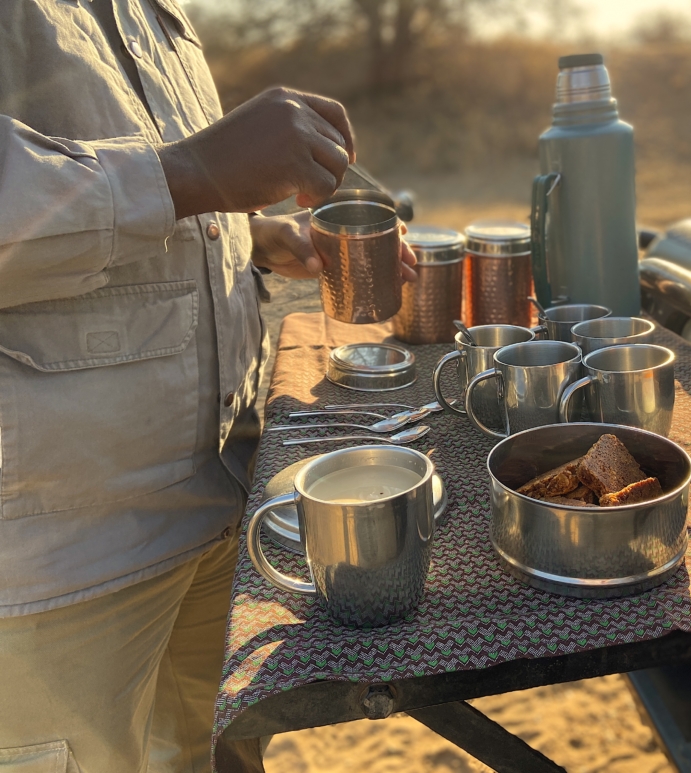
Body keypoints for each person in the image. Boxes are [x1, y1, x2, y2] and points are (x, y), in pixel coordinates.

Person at [0, 1, 415, 770]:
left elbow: (138, 191)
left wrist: (251, 234)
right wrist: (192, 172)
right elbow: (166, 174)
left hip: (217, 503)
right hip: (60, 559)